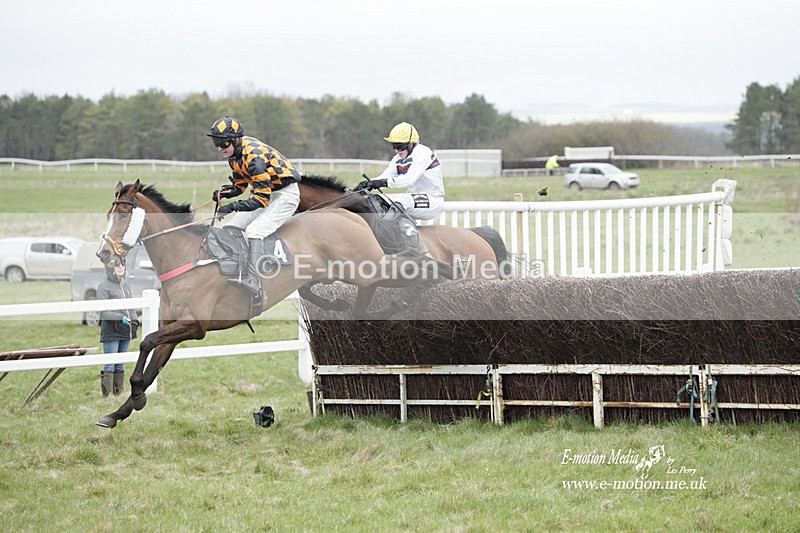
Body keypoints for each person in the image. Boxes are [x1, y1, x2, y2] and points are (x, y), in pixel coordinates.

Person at [207, 116, 302, 300]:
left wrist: (232, 207)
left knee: (254, 232)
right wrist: (225, 193)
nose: (220, 148)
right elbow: (241, 184)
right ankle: (239, 269)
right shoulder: (234, 155)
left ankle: (256, 282)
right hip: (268, 193)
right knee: (230, 228)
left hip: (285, 196)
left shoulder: (255, 158)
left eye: (223, 143)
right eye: (216, 143)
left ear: (235, 139)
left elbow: (260, 200)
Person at [354, 122, 444, 254]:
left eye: (400, 147)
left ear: (411, 144)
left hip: (433, 201)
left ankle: (402, 241)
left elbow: (408, 179)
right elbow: (384, 177)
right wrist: (366, 184)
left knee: (399, 201)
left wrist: (382, 183)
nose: (397, 150)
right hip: (414, 201)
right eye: (394, 146)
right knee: (380, 199)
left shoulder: (423, 153)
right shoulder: (398, 158)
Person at [98, 263, 139, 396]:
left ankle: (119, 394)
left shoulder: (126, 285)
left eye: (122, 265)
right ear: (111, 269)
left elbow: (130, 306)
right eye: (117, 266)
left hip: (125, 330)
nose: (120, 268)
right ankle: (108, 396)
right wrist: (120, 317)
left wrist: (134, 319)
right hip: (112, 331)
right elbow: (104, 312)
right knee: (110, 364)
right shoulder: (103, 287)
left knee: (120, 364)